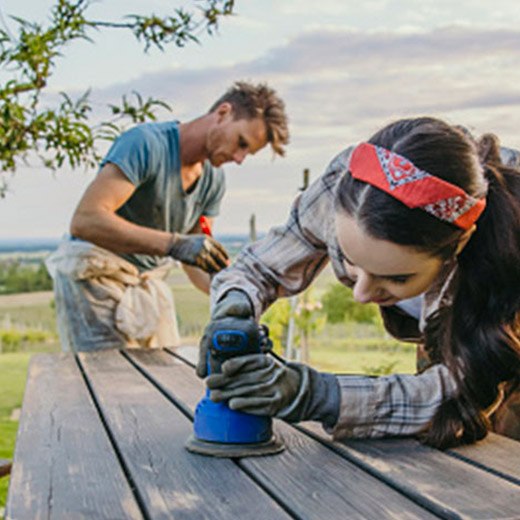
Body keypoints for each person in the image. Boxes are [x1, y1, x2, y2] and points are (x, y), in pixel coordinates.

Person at [199, 117, 520, 448]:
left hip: (502, 332)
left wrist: (321, 396)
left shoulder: (505, 243)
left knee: (501, 454)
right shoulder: (352, 188)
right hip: (449, 334)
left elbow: (464, 392)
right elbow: (259, 267)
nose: (361, 294)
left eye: (396, 277)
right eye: (352, 262)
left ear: (460, 244)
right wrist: (233, 305)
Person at [46, 81, 289, 353]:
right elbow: (86, 220)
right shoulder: (146, 145)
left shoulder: (213, 180)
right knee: (109, 382)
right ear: (223, 113)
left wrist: (234, 291)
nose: (240, 158)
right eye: (241, 143)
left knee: (165, 372)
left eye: (248, 152)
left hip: (147, 283)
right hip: (95, 280)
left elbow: (198, 260)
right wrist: (174, 244)